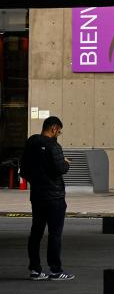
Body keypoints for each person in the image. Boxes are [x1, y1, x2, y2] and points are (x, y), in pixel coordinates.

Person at [22, 116, 73, 281]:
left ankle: (35, 270)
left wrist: (37, 182)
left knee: (36, 232)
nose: (59, 133)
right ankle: (56, 270)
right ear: (54, 128)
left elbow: (24, 171)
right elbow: (60, 169)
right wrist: (66, 163)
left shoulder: (31, 143)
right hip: (55, 197)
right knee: (54, 234)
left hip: (37, 195)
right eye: (59, 131)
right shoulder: (54, 145)